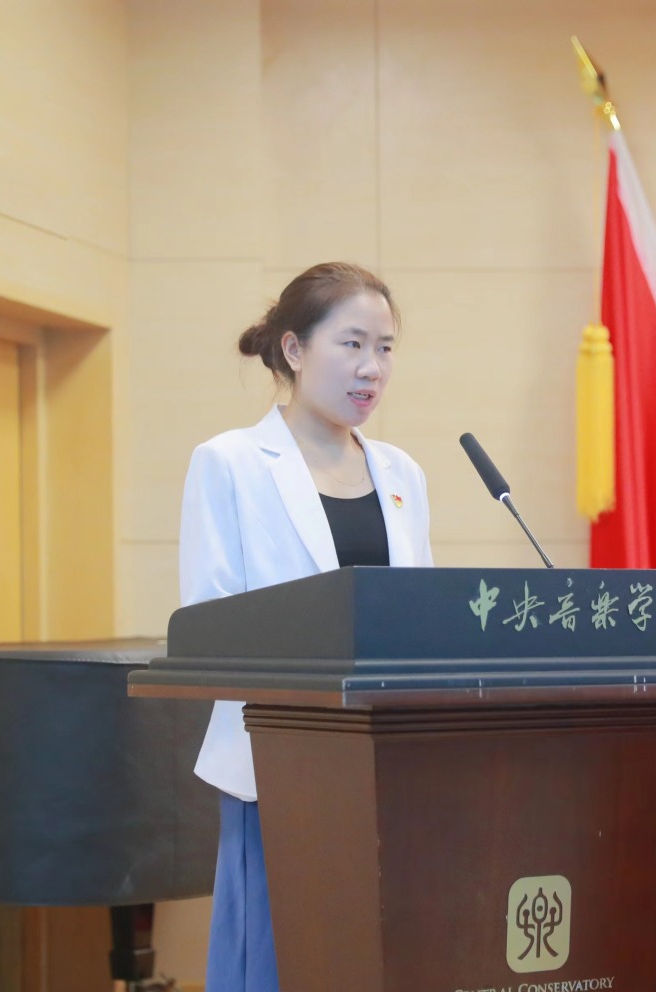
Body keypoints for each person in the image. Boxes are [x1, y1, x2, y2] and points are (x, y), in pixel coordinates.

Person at [178, 262, 433, 992]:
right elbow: (209, 623)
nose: (372, 367)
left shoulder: (402, 474)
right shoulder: (229, 463)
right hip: (280, 762)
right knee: (277, 961)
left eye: (385, 348)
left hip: (392, 765)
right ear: (293, 349)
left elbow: (422, 619)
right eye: (352, 344)